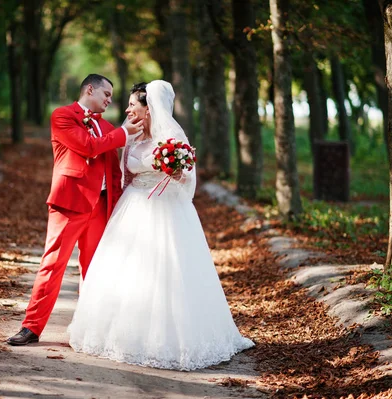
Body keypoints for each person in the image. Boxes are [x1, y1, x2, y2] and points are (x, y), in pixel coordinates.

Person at [67, 80, 254, 370]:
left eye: (132, 104)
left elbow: (187, 176)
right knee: (128, 273)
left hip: (167, 209)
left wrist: (177, 173)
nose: (127, 109)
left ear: (148, 108)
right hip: (132, 207)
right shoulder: (130, 136)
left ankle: (171, 338)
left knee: (169, 273)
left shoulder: (172, 135)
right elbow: (124, 176)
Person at [7, 74, 143, 346]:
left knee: (94, 270)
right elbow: (87, 147)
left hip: (101, 206)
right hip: (70, 203)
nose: (109, 100)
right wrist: (123, 133)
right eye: (106, 94)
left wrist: (116, 207)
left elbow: (113, 172)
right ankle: (31, 327)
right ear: (89, 89)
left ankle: (89, 330)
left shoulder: (107, 126)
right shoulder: (62, 116)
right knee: (52, 265)